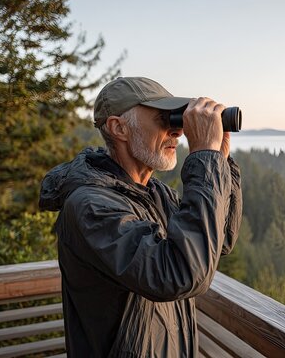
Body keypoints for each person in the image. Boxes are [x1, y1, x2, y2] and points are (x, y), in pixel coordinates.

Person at [39, 77, 243, 357]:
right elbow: (178, 274)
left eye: (179, 119)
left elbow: (219, 240)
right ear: (118, 127)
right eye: (166, 119)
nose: (177, 132)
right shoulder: (90, 207)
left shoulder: (153, 193)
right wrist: (204, 160)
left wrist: (219, 161)